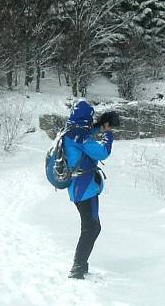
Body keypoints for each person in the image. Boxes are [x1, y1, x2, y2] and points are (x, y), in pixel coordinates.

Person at [62, 99, 114, 279]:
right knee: (91, 228)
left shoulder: (70, 131)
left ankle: (80, 266)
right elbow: (102, 152)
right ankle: (77, 269)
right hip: (84, 188)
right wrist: (108, 134)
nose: (92, 121)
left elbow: (85, 134)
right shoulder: (79, 135)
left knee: (92, 227)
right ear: (85, 118)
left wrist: (100, 126)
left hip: (80, 188)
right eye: (91, 118)